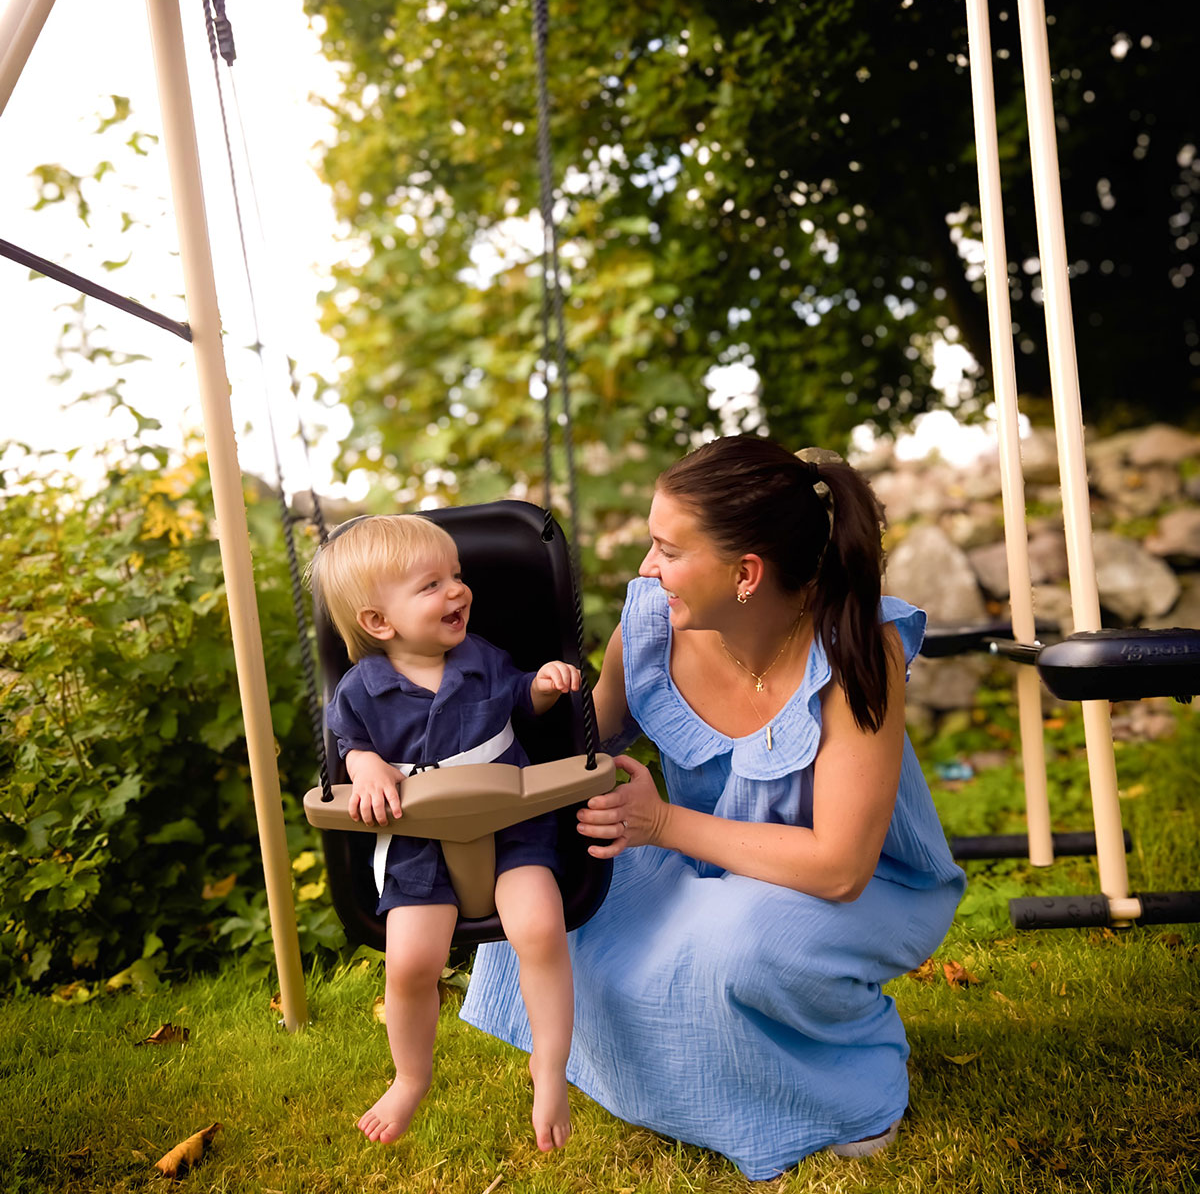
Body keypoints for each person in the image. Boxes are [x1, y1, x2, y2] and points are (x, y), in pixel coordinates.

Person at [461, 435, 966, 1178]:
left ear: (747, 573)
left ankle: (853, 1086)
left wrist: (659, 822)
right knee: (546, 890)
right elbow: (583, 746)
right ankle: (692, 1087)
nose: (646, 568)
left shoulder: (858, 644)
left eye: (667, 549)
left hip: (858, 888)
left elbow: (840, 868)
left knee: (738, 937)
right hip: (709, 867)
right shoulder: (651, 626)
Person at [308, 514, 581, 1152]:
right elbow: (349, 745)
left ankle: (549, 1066)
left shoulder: (481, 657)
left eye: (456, 576)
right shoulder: (361, 689)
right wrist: (366, 765)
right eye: (432, 585)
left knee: (540, 929)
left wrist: (542, 686)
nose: (458, 591)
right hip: (416, 839)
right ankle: (410, 1076)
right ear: (380, 622)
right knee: (409, 964)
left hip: (514, 819)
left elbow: (520, 701)